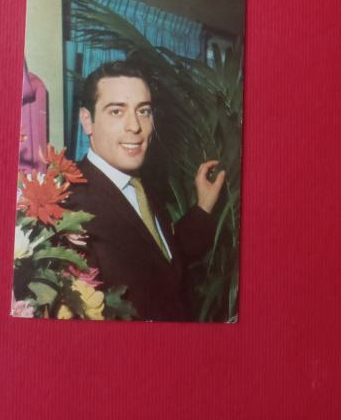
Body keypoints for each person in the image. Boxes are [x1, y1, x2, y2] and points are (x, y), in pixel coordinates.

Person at [68, 60, 225, 321]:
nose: (135, 126)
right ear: (87, 120)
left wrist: (203, 208)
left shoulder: (141, 186)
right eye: (116, 111)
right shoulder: (70, 204)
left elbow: (162, 262)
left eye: (143, 111)